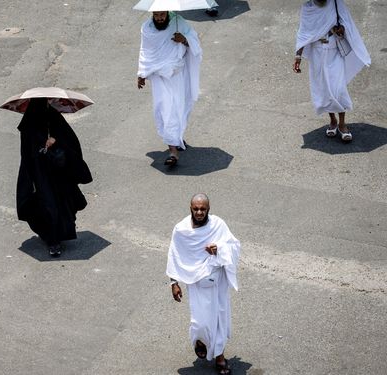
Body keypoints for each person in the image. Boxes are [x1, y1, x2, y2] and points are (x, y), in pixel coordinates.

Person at [166, 194, 240, 375]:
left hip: (217, 282)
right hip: (196, 282)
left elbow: (234, 246)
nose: (199, 212)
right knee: (200, 322)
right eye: (195, 208)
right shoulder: (181, 230)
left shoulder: (218, 225)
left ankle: (220, 358)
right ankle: (200, 340)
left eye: (203, 209)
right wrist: (174, 283)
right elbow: (174, 255)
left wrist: (219, 250)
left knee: (218, 320)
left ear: (209, 208)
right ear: (190, 208)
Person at [16, 98, 93, 257]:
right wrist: (40, 149)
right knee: (47, 205)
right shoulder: (28, 125)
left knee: (61, 204)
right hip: (39, 175)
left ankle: (58, 235)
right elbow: (26, 153)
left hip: (58, 173)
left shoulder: (54, 118)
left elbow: (70, 139)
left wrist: (55, 140)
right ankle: (52, 241)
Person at [293, 0, 371, 142]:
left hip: (334, 50)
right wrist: (298, 57)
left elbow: (347, 23)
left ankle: (342, 124)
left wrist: (342, 29)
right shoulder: (307, 8)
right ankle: (333, 121)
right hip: (317, 53)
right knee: (325, 89)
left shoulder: (336, 3)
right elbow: (303, 33)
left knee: (338, 88)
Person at [137, 11, 202, 166]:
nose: (159, 18)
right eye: (157, 15)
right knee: (165, 109)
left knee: (180, 107)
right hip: (159, 76)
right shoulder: (146, 28)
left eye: (162, 15)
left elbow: (195, 41)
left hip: (178, 75)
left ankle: (176, 137)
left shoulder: (179, 22)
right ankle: (173, 151)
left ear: (167, 13)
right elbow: (146, 52)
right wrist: (141, 73)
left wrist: (184, 40)